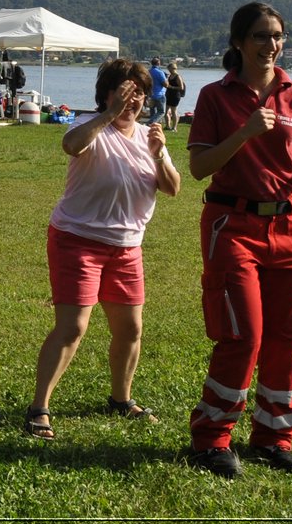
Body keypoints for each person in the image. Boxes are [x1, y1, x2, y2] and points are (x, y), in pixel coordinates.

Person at [184, 2, 292, 479]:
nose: (271, 44)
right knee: (243, 333)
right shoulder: (215, 97)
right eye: (261, 36)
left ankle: (273, 437)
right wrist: (244, 132)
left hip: (291, 227)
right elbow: (199, 168)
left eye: (277, 36)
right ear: (239, 42)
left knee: (288, 337)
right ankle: (210, 440)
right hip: (233, 225)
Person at [23, 60, 182, 440]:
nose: (134, 99)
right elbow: (70, 145)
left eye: (140, 93)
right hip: (78, 240)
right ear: (107, 94)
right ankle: (38, 408)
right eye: (126, 91)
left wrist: (160, 154)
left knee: (130, 328)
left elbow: (173, 188)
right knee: (73, 327)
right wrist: (109, 115)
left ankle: (120, 400)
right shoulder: (88, 125)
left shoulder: (148, 136)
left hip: (127, 247)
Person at [165, 60, 187, 131]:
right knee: (167, 111)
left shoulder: (178, 77)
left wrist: (172, 87)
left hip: (175, 95)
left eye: (169, 69)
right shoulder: (170, 76)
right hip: (169, 94)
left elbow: (181, 87)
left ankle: (174, 127)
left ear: (173, 68)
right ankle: (168, 126)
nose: (168, 70)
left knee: (173, 111)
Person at [148, 57, 168, 125]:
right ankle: (150, 123)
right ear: (159, 63)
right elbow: (165, 85)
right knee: (161, 112)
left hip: (151, 94)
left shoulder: (148, 71)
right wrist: (166, 78)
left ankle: (152, 125)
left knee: (152, 111)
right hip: (159, 94)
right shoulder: (160, 72)